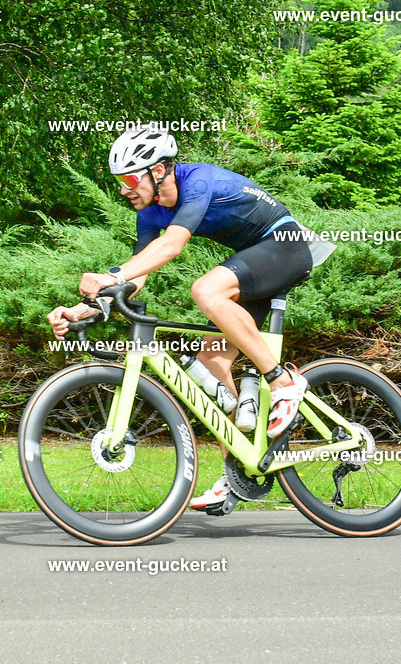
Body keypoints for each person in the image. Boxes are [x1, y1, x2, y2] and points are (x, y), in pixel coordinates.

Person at [47, 125, 313, 512]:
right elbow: (135, 276)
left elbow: (172, 245)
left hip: (285, 247)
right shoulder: (150, 211)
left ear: (158, 170)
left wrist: (111, 275)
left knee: (206, 290)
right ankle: (238, 472)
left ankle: (283, 382)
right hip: (254, 263)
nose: (123, 190)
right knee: (210, 370)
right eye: (120, 181)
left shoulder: (198, 181)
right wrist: (84, 309)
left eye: (129, 179)